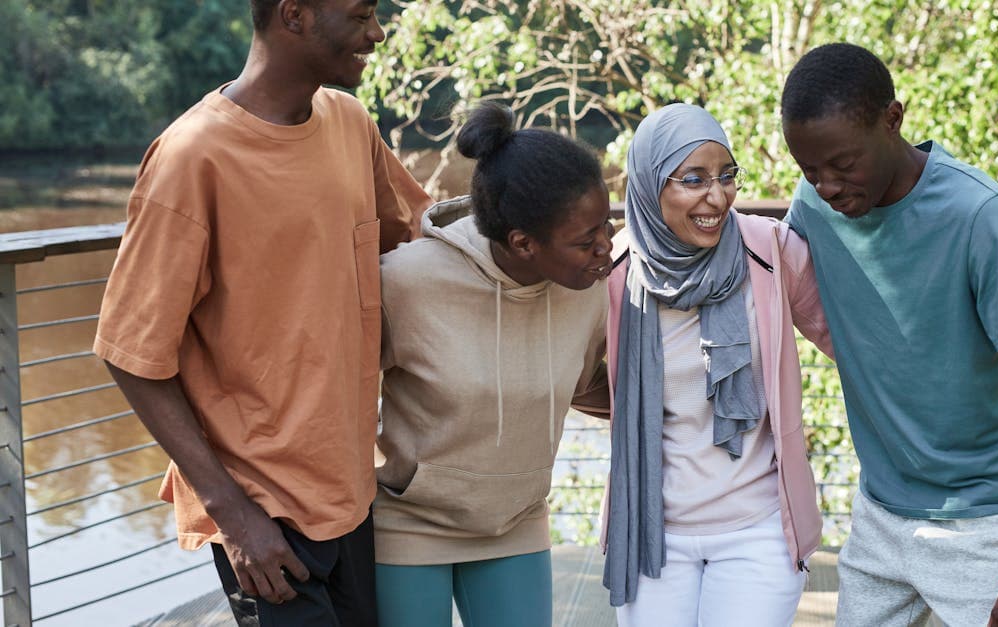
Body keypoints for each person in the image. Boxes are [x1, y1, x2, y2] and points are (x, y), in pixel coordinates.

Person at [93, 1, 432, 624]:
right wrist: (233, 513)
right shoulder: (192, 156)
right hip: (262, 515)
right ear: (294, 15)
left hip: (353, 494)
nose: (377, 33)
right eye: (360, 16)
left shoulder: (351, 124)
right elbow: (131, 353)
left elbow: (419, 238)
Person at [780, 43, 998, 626]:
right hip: (879, 515)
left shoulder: (980, 214)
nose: (828, 186)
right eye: (810, 170)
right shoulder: (812, 208)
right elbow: (761, 282)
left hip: (985, 521)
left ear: (893, 119)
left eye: (842, 165)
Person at [372, 102, 613, 627]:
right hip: (411, 523)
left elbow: (589, 384)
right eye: (586, 240)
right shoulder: (405, 283)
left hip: (516, 519)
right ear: (523, 243)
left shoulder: (591, 290)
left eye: (607, 225)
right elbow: (333, 389)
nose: (606, 249)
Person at [600, 103, 834, 626]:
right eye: (694, 179)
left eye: (727, 176)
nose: (717, 196)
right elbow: (563, 370)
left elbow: (852, 341)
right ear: (648, 184)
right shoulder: (613, 272)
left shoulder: (770, 250)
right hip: (650, 531)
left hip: (760, 530)